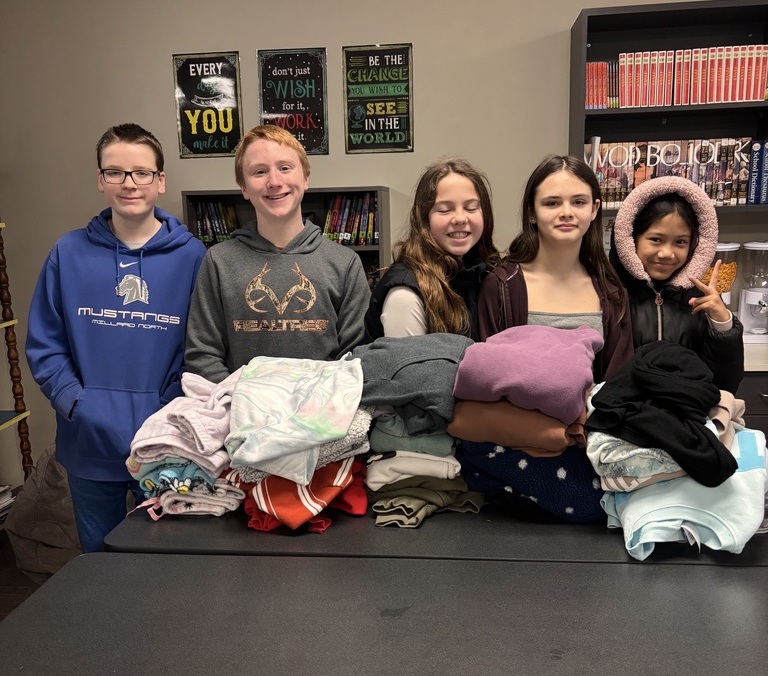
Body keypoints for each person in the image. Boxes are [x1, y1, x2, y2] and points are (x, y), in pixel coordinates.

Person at [25, 123, 207, 551]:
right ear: (100, 179)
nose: (129, 183)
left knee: (172, 563)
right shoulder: (68, 253)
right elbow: (45, 344)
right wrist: (77, 403)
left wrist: (168, 408)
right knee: (100, 561)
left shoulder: (193, 257)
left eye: (142, 172)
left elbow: (202, 347)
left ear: (160, 181)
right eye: (115, 172)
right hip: (88, 441)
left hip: (165, 441)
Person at [184, 125, 370, 382]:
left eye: (284, 168)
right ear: (244, 187)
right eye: (260, 172)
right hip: (240, 404)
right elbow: (202, 354)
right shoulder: (218, 262)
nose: (274, 182)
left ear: (306, 178)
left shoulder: (344, 263)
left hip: (321, 405)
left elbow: (355, 356)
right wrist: (239, 399)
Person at [477, 153, 633, 378]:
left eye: (578, 202)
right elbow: (488, 376)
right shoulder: (500, 287)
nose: (566, 213)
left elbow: (619, 384)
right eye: (552, 203)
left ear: (594, 209)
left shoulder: (613, 294)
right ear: (532, 212)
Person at [609, 174, 744, 393]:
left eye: (680, 242)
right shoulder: (609, 295)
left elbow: (726, 385)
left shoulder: (702, 301)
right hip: (623, 410)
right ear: (631, 239)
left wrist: (722, 325)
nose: (667, 253)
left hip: (688, 409)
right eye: (656, 239)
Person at [364, 158, 503, 342]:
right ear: (424, 218)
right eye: (445, 210)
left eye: (471, 208)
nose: (460, 218)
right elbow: (410, 361)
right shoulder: (405, 295)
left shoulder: (483, 272)